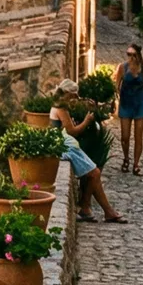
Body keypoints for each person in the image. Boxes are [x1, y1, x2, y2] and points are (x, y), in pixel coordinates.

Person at [49, 80, 125, 223]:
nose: (75, 99)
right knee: (94, 173)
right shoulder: (60, 109)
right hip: (64, 146)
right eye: (74, 95)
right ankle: (102, 210)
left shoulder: (60, 106)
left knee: (94, 174)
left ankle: (92, 209)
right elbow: (72, 131)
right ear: (67, 93)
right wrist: (86, 121)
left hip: (64, 144)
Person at [114, 44, 143, 175]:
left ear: (138, 55)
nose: (130, 57)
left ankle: (136, 164)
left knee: (138, 136)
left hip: (140, 104)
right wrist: (117, 97)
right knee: (125, 136)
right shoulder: (122, 67)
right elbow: (116, 86)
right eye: (128, 54)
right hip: (126, 104)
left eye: (133, 54)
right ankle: (126, 158)